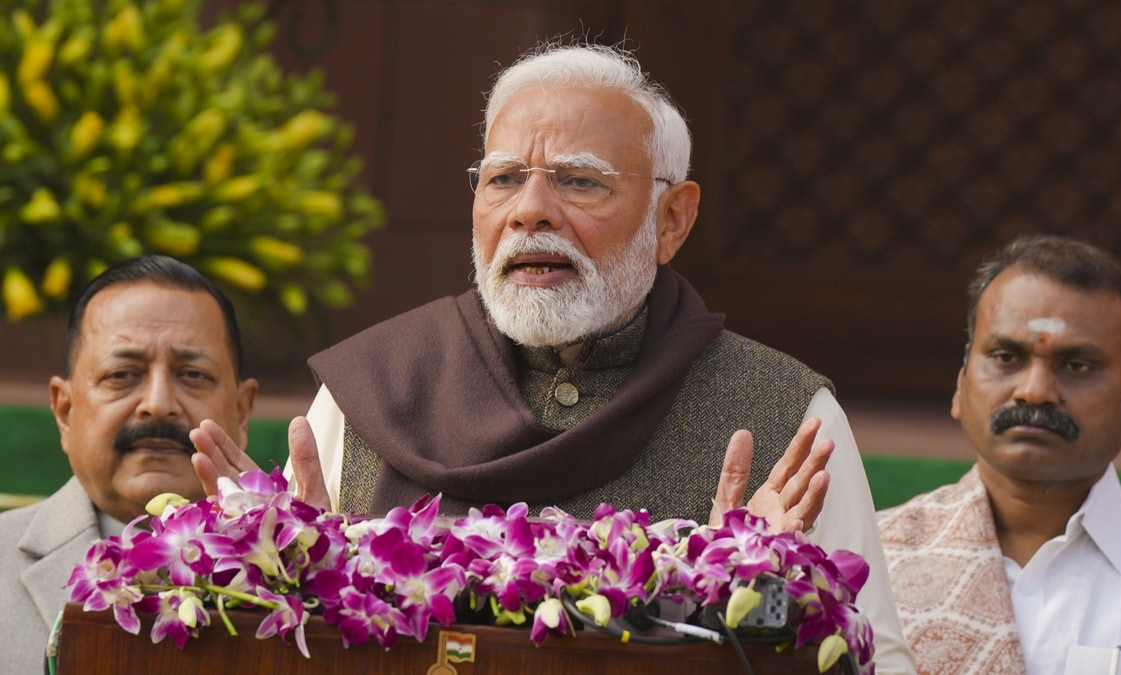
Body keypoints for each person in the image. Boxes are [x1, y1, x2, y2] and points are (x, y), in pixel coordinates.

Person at [192, 42, 915, 673]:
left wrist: (760, 605)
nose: (529, 209)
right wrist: (291, 589)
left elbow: (870, 658)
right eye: (504, 178)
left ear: (672, 219)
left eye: (579, 180)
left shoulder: (784, 415)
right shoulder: (371, 390)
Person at [876, 235, 1121, 675]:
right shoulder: (865, 563)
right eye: (1007, 356)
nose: (1034, 391)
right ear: (961, 384)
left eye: (1077, 366)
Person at [0, 255, 258, 675]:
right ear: (65, 411)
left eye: (193, 374)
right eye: (122, 374)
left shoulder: (309, 577)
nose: (158, 404)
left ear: (242, 412)